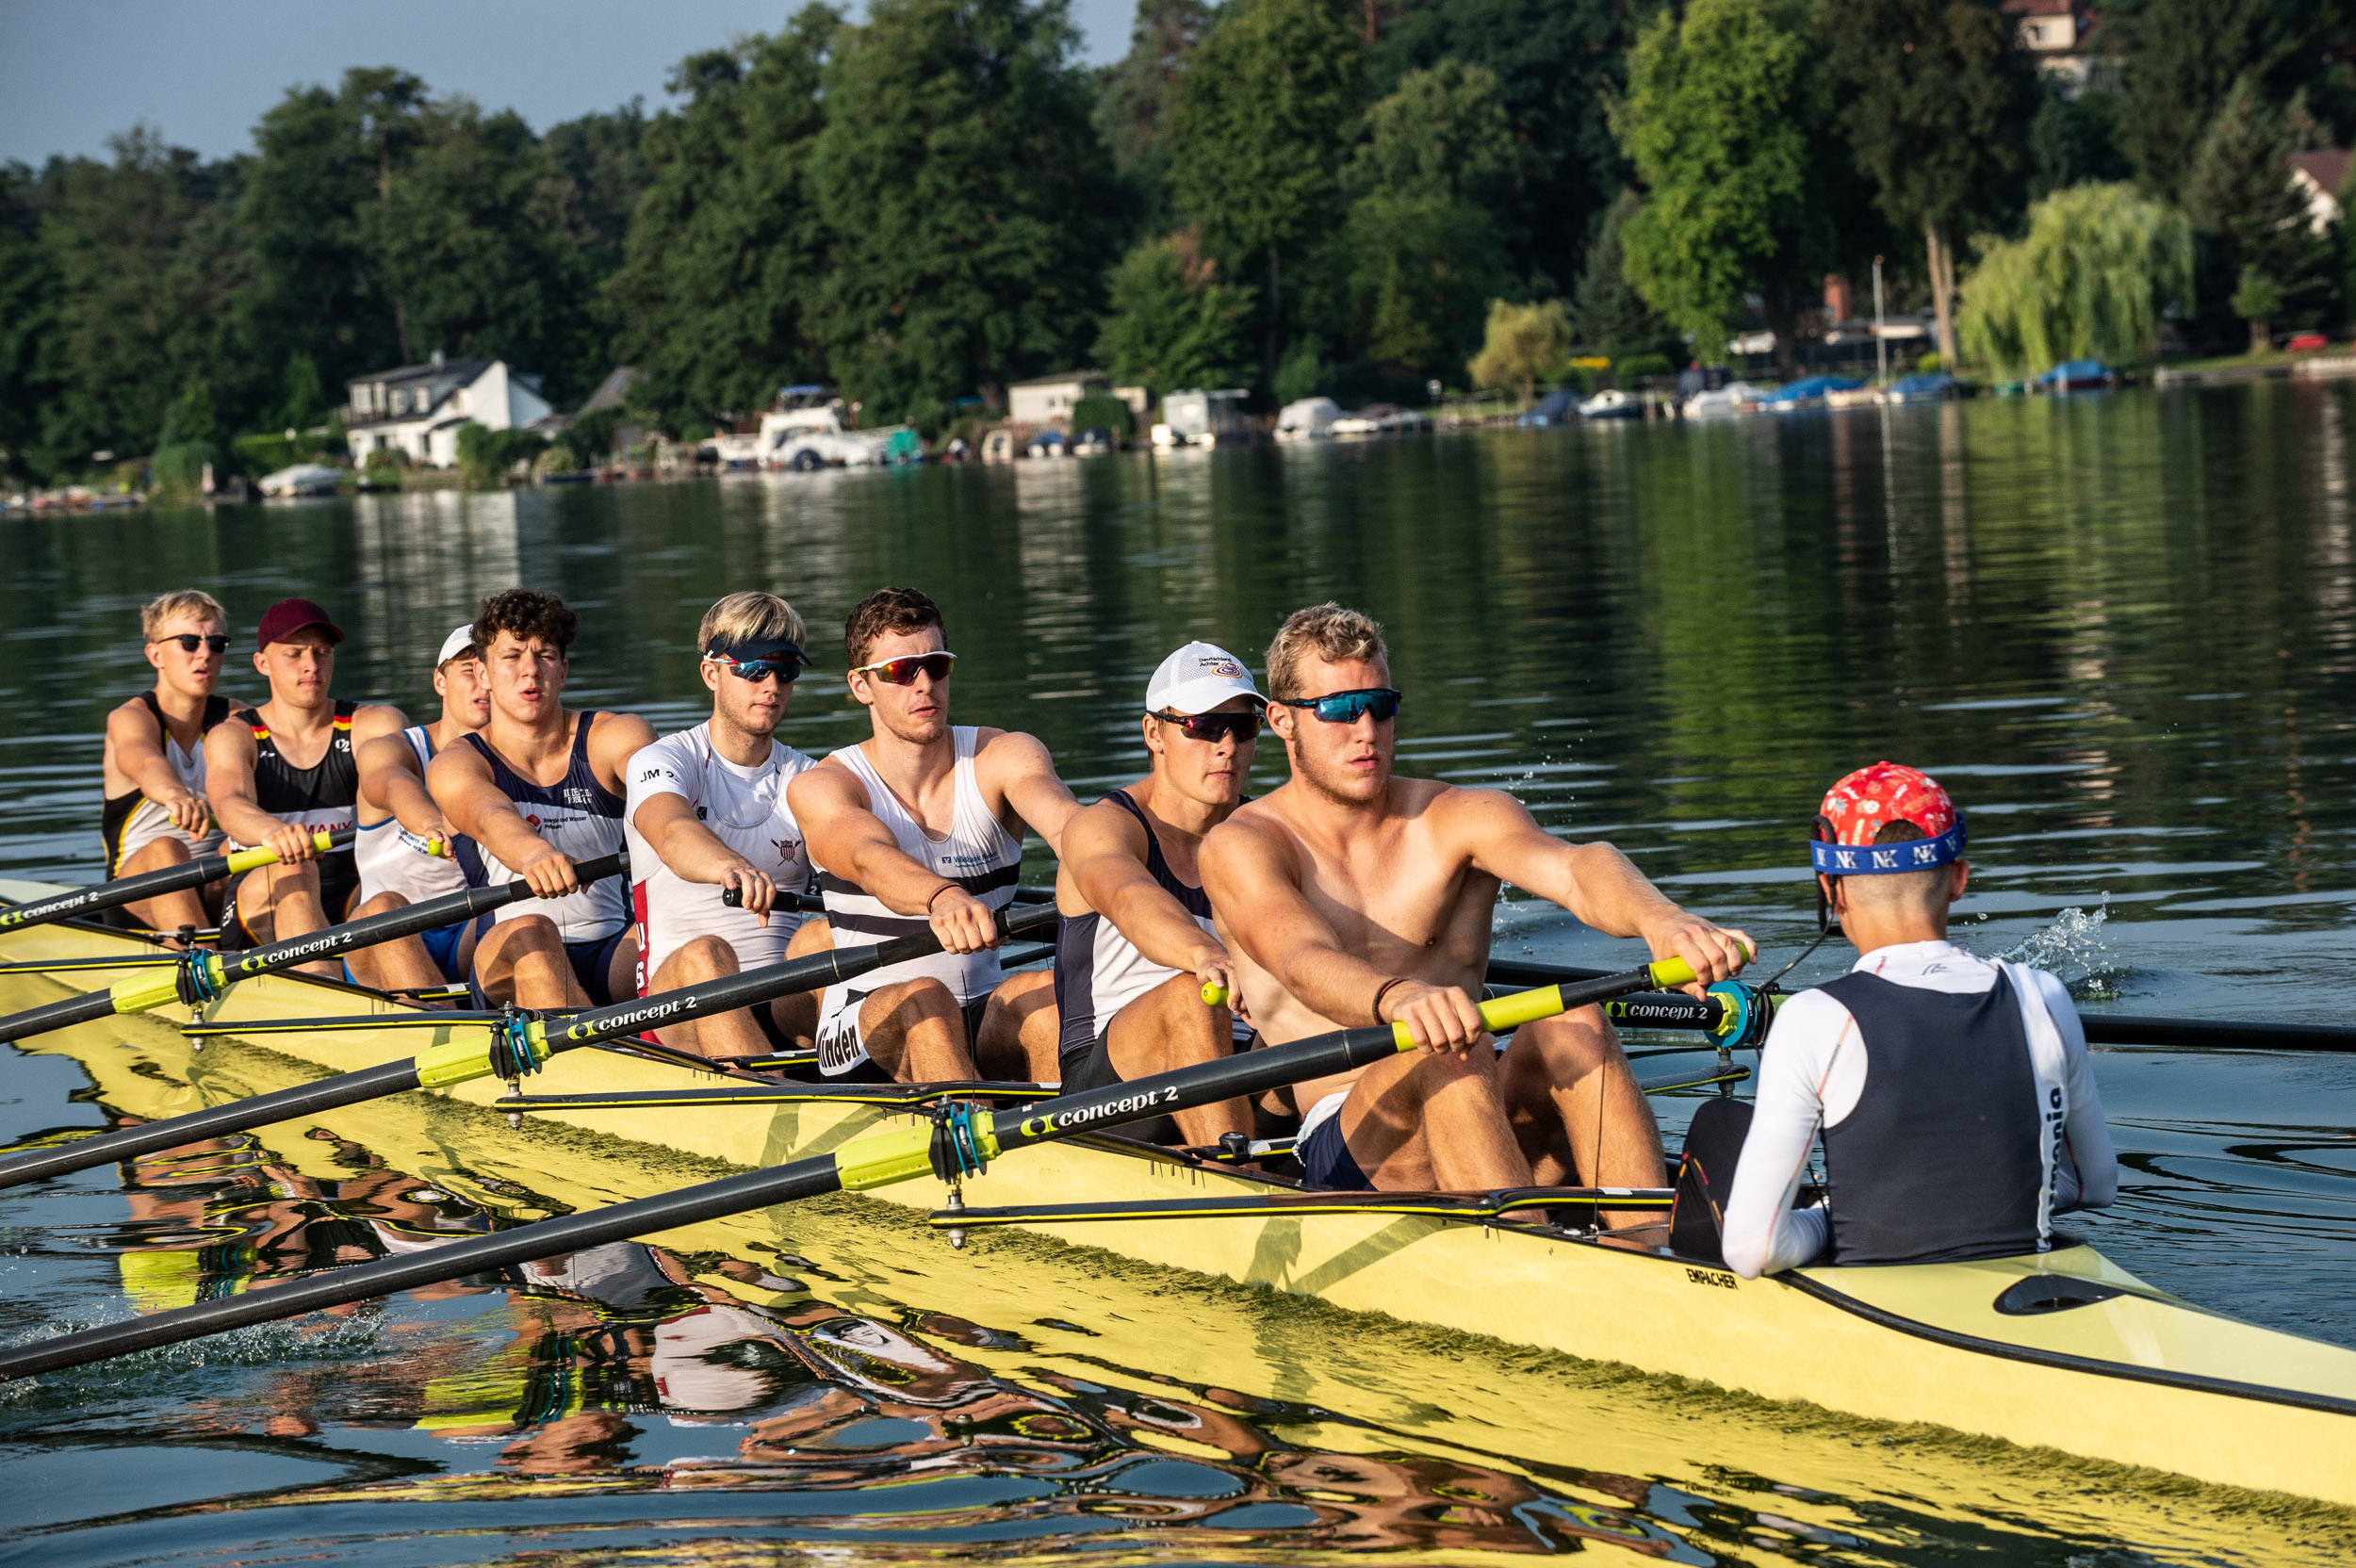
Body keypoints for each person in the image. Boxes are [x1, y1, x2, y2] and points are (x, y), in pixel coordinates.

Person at [1200, 603, 1753, 1212]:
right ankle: (1526, 1259)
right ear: (1282, 720)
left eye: (1381, 706)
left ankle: (1651, 1246)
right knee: (1437, 1046)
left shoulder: (1456, 819)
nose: (1366, 730)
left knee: (1578, 1020)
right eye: (1337, 710)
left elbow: (1575, 868)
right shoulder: (1244, 845)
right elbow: (1301, 958)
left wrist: (1663, 919)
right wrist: (1398, 999)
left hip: (1476, 1097)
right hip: (1355, 1143)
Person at [1716, 762, 2118, 1278]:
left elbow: (1752, 1250)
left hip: (1879, 1311)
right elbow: (2094, 1185)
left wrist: (1833, 1218)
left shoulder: (1813, 1018)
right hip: (2028, 1284)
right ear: (1958, 878)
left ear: (1831, 889)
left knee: (1715, 1128)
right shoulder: (2043, 995)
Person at [786, 586, 1079, 1085]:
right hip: (865, 1019)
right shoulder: (825, 786)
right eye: (900, 672)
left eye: (936, 665)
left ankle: (1083, 1146)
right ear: (861, 686)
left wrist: (1115, 865)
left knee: (1048, 994)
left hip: (980, 1006)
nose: (924, 685)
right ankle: (982, 1146)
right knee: (927, 997)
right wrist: (940, 896)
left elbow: (1070, 825)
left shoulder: (1003, 756)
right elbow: (867, 856)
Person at [1053, 641, 1263, 1146]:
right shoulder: (1102, 828)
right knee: (1194, 995)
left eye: (1244, 726)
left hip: (1246, 1063)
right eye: (1204, 727)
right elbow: (1127, 896)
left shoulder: (1272, 833)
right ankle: (1244, 1193)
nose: (1227, 745)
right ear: (1155, 733)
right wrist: (1206, 954)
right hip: (1111, 1093)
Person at [625, 592, 835, 1060]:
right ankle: (776, 1101)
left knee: (825, 936)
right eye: (754, 668)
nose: (772, 684)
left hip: (783, 1005)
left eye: (786, 670)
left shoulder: (810, 777)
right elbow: (672, 831)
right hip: (676, 1010)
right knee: (708, 954)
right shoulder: (662, 760)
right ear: (710, 674)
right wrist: (731, 867)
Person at [429, 589, 653, 1009]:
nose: (530, 671)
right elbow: (490, 814)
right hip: (509, 958)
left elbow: (660, 796)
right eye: (512, 657)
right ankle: (602, 1058)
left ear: (563, 671)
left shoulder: (615, 737)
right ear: (483, 673)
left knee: (685, 942)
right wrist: (534, 855)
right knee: (534, 930)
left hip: (609, 950)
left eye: (545, 656)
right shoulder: (457, 762)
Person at [204, 597, 403, 972]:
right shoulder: (235, 735)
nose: (311, 665)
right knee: (294, 869)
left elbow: (399, 782)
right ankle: (327, 992)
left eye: (322, 652)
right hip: (264, 899)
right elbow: (229, 803)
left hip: (353, 892)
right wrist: (272, 831)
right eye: (294, 654)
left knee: (391, 897)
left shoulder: (374, 724)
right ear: (262, 664)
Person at [344, 625, 492, 995]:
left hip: (468, 931)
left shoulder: (515, 761)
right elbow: (394, 784)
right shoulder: (391, 750)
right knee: (384, 908)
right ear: (439, 681)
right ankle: (445, 1028)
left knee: (523, 919)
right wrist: (431, 825)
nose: (483, 684)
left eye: (489, 671)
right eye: (469, 671)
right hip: (387, 934)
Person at [100, 589, 235, 936]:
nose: (204, 653)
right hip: (135, 899)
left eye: (216, 643)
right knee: (166, 850)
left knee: (252, 848)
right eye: (189, 642)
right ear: (155, 654)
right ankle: (200, 967)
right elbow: (144, 762)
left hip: (215, 888)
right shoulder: (131, 719)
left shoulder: (237, 718)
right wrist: (175, 794)